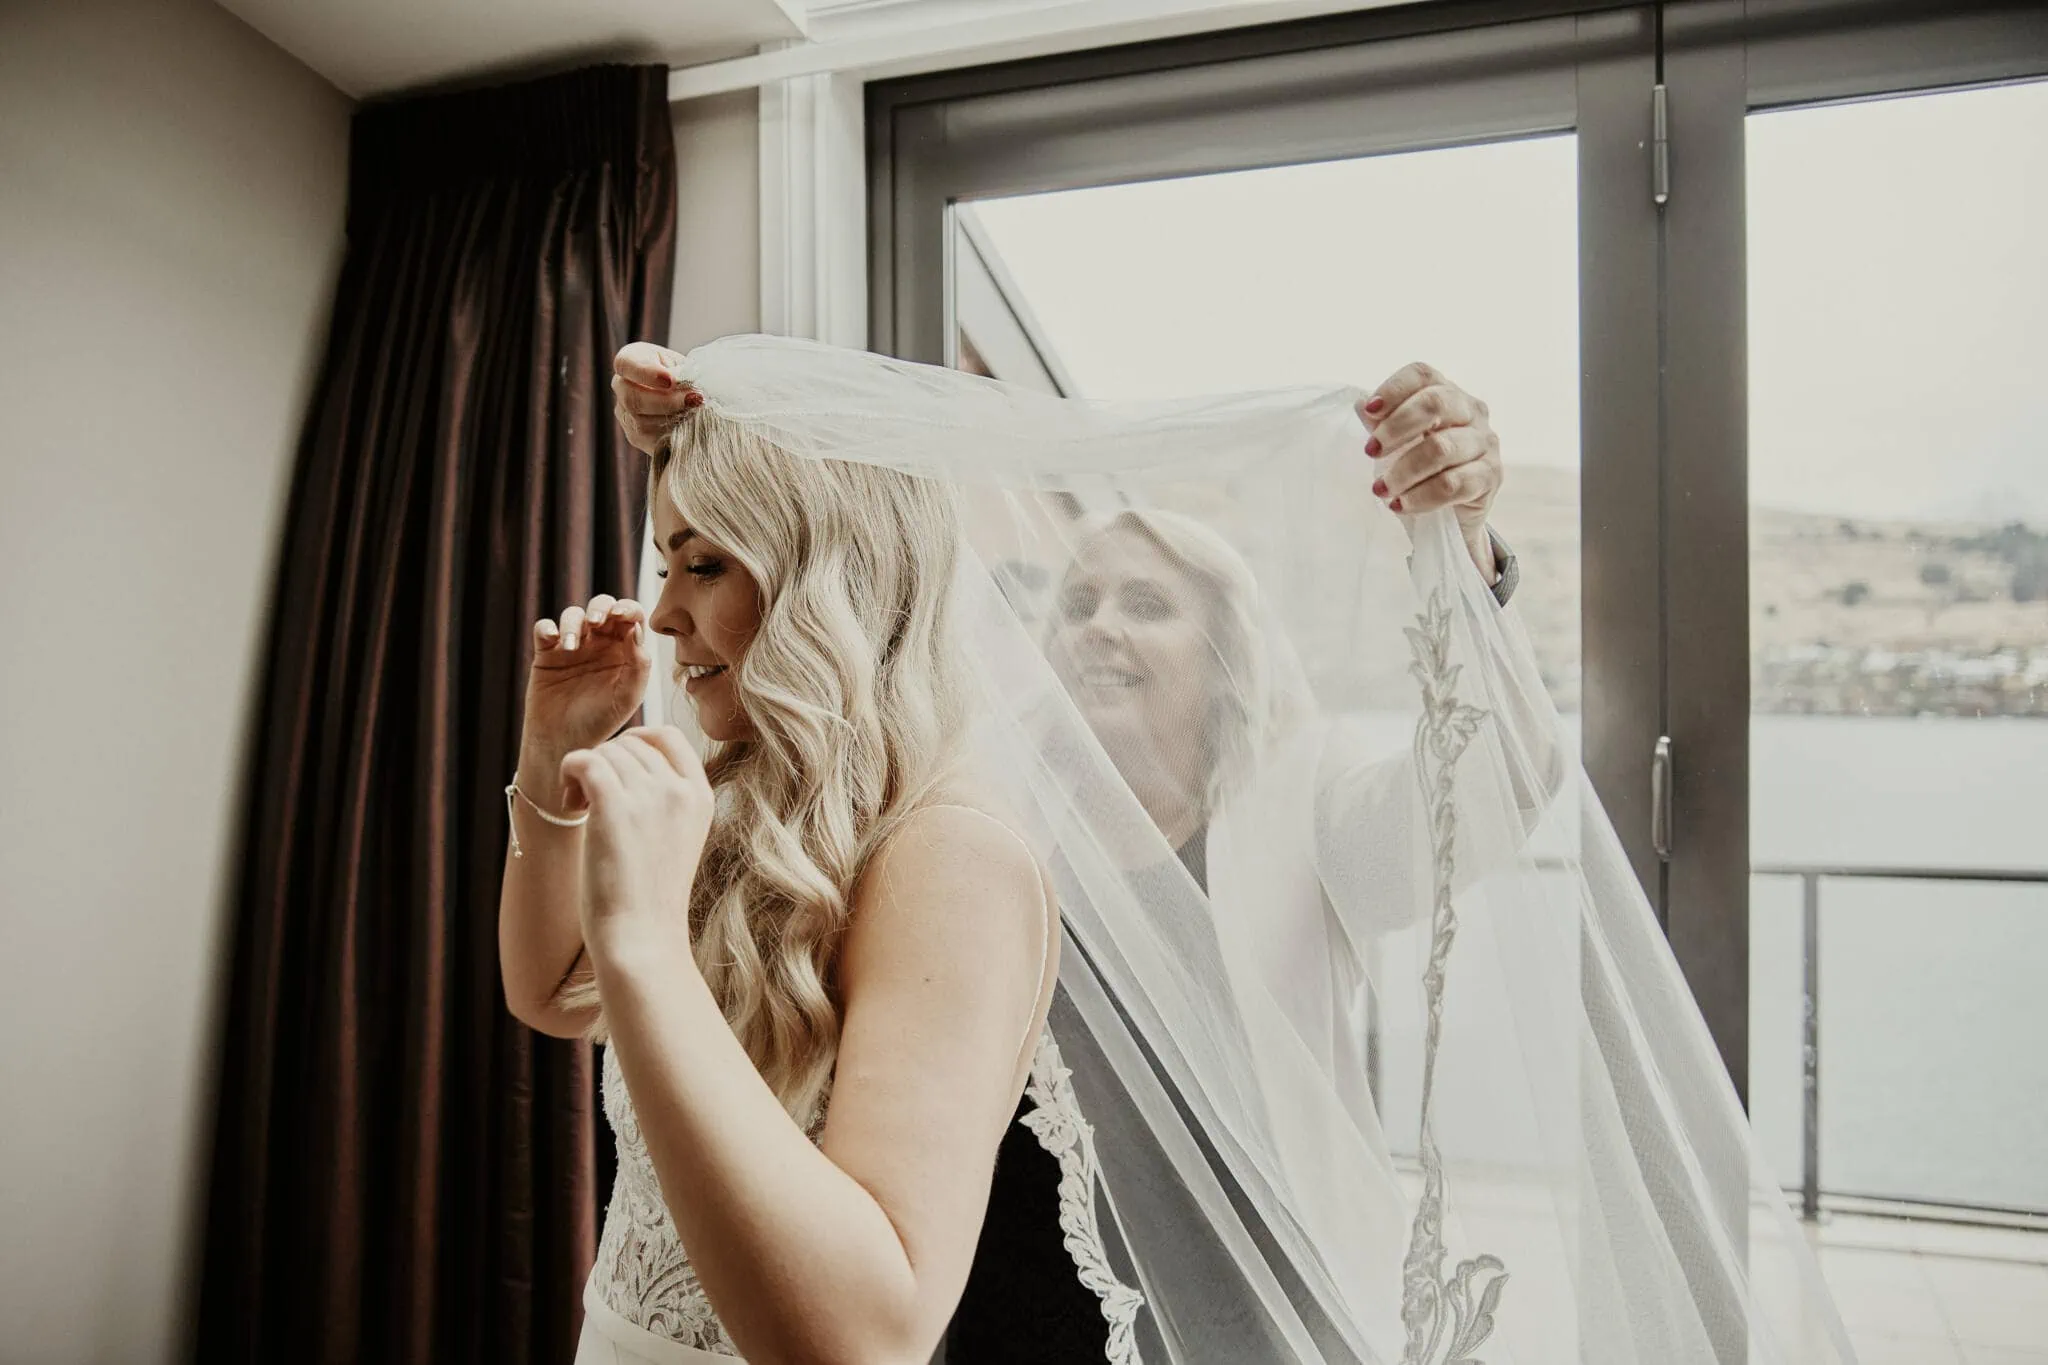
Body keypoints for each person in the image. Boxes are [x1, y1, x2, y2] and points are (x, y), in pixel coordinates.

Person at [522, 336, 1857, 1365]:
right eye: (1081, 594)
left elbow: (1489, 789)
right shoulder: (994, 797)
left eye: (1146, 602)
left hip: (1236, 1275)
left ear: (1224, 649)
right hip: (1009, 1289)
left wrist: (1465, 562)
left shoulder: (1308, 801)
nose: (1098, 623)